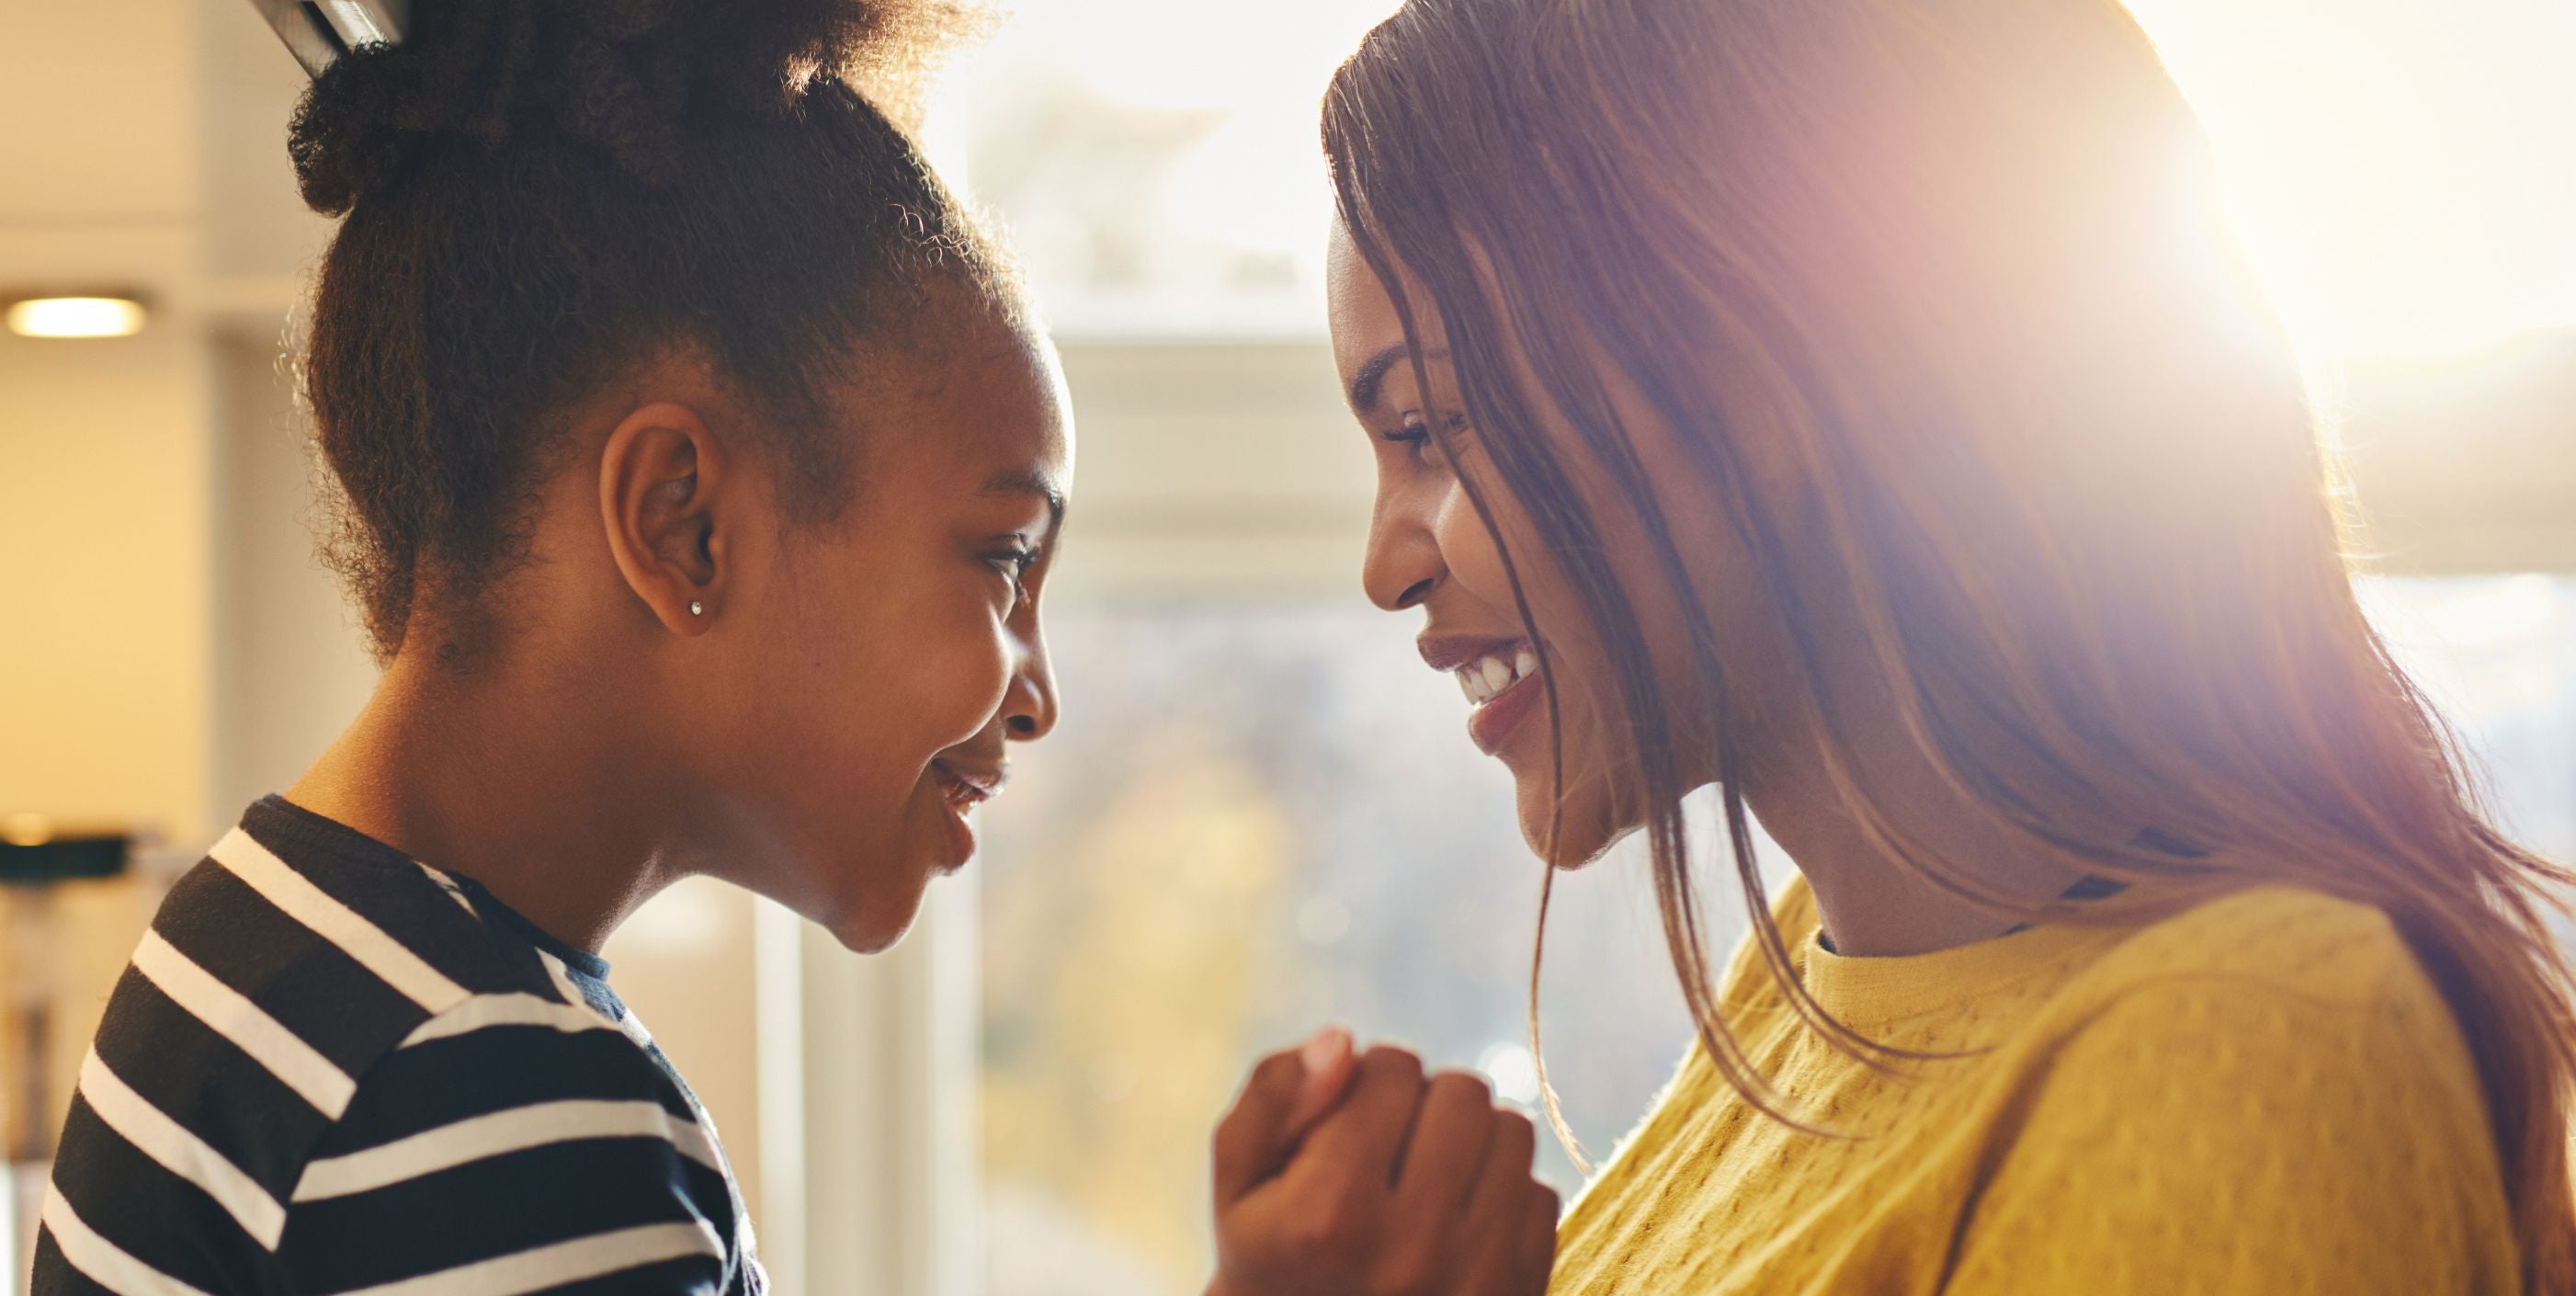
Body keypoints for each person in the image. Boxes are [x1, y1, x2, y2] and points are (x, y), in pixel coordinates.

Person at [33, 3, 1552, 1293]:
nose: (1039, 693)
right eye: (1001, 557)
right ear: (683, 523)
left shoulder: (244, 942)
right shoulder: (495, 1108)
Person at [1319, 1, 2576, 1292]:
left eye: (1429, 430)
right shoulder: (1831, 979)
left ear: (1763, 361)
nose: (1389, 566)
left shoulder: (2242, 1056)